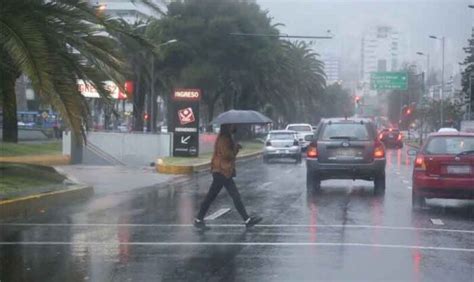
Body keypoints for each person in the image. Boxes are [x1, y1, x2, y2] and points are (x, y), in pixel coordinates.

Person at [194, 124, 262, 230]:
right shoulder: (224, 139)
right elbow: (227, 155)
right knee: (233, 196)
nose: (234, 128)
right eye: (232, 126)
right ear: (227, 127)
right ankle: (247, 220)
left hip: (222, 171)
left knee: (213, 197)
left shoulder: (225, 137)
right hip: (222, 171)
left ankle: (199, 219)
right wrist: (236, 148)